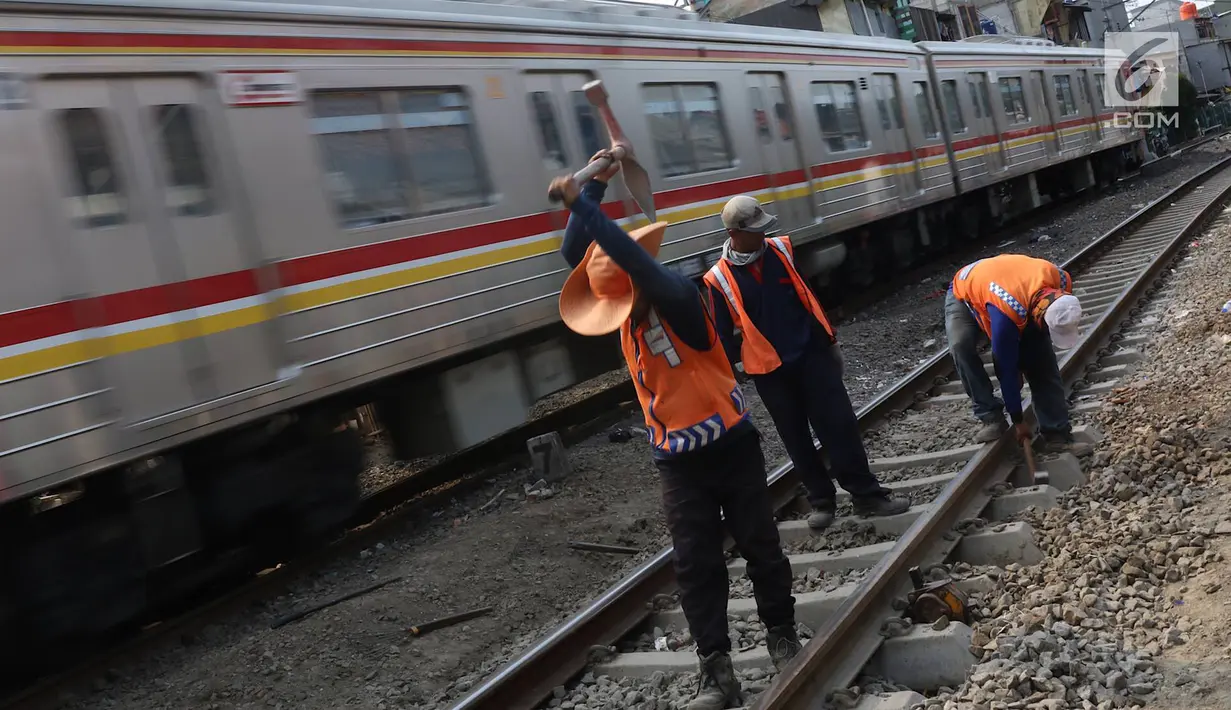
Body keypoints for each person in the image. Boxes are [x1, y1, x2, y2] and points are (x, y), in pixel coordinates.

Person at [552, 155, 800, 710]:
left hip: (732, 446)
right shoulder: (628, 314)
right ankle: (717, 672)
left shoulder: (684, 301)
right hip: (677, 461)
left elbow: (627, 260)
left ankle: (781, 634)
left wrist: (577, 201)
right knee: (695, 567)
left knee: (761, 545)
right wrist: (591, 184)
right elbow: (579, 256)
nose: (617, 313)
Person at [704, 196, 911, 532]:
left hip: (812, 354)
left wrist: (829, 342)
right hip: (769, 370)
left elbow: (808, 295)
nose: (763, 236)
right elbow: (722, 333)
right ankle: (822, 501)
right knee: (795, 436)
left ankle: (866, 495)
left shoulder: (782, 250)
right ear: (733, 233)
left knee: (840, 425)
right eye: (755, 231)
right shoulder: (718, 279)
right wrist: (728, 378)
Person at [944, 253, 1086, 451]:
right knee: (961, 346)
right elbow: (1005, 368)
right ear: (1039, 315)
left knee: (1041, 359)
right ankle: (990, 416)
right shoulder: (1005, 314)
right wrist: (1018, 420)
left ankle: (1057, 434)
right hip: (967, 288)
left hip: (1008, 282)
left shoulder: (1061, 280)